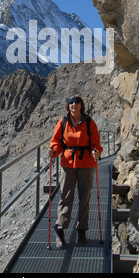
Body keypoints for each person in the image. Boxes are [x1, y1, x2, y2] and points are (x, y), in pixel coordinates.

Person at [48, 95, 103, 247]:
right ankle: (60, 229)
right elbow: (57, 142)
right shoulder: (63, 121)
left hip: (86, 163)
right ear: (68, 106)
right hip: (68, 163)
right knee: (66, 196)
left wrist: (96, 151)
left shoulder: (89, 122)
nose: (74, 105)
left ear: (81, 105)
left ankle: (82, 230)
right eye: (71, 102)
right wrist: (53, 150)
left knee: (84, 197)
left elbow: (96, 143)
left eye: (77, 102)